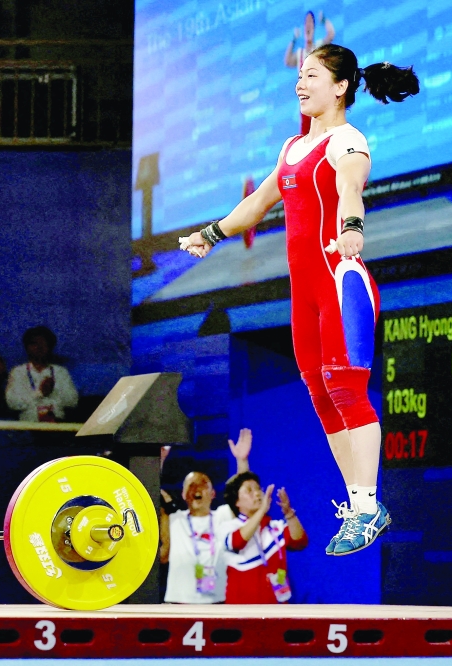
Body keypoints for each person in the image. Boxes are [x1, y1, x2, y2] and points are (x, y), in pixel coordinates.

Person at [180, 45, 419, 555]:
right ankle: (360, 505)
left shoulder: (347, 140)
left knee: (348, 391)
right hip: (303, 295)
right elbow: (258, 203)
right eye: (299, 75)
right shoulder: (292, 148)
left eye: (311, 75)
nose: (300, 83)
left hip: (339, 282)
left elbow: (351, 188)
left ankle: (366, 506)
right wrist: (211, 232)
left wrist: (352, 229)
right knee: (320, 394)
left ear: (340, 87)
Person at [159, 429, 252, 603]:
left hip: (217, 604)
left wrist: (242, 460)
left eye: (203, 484)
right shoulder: (174, 519)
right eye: (191, 485)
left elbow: (242, 494)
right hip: (178, 605)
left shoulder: (223, 516)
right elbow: (147, 491)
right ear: (184, 494)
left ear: (213, 494)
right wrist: (160, 461)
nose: (196, 488)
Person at [219, 473, 307, 604]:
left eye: (258, 489)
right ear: (236, 501)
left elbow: (300, 542)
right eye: (249, 490)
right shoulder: (228, 527)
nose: (257, 493)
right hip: (242, 610)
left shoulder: (275, 527)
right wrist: (262, 511)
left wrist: (289, 514)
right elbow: (237, 541)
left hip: (277, 608)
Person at [5, 326, 79, 422]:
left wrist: (53, 393)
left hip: (56, 425)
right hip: (29, 425)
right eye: (34, 343)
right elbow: (13, 403)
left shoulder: (60, 372)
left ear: (50, 346)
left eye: (44, 343)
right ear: (27, 347)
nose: (39, 347)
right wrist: (39, 393)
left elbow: (73, 401)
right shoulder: (18, 372)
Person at [284, 11, 336, 135]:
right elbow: (287, 61)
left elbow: (331, 34)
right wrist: (293, 40)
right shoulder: (300, 53)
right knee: (306, 137)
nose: (308, 25)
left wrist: (324, 20)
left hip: (319, 99)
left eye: (310, 22)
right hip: (306, 103)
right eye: (306, 22)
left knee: (322, 134)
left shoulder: (319, 47)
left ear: (314, 27)